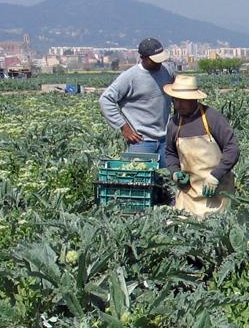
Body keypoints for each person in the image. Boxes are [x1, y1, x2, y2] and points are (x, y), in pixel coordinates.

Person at [162, 74, 239, 218]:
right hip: (188, 194)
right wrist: (175, 172)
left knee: (215, 228)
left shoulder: (212, 118)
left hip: (217, 192)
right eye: (176, 100)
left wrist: (216, 175)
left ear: (194, 99)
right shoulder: (173, 123)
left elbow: (232, 148)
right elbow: (170, 152)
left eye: (183, 101)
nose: (179, 105)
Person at [99, 37, 177, 167]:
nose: (159, 63)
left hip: (165, 139)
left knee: (168, 182)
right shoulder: (130, 77)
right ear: (143, 57)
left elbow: (177, 92)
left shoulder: (167, 70)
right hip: (141, 141)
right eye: (155, 60)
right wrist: (123, 127)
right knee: (141, 181)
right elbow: (105, 100)